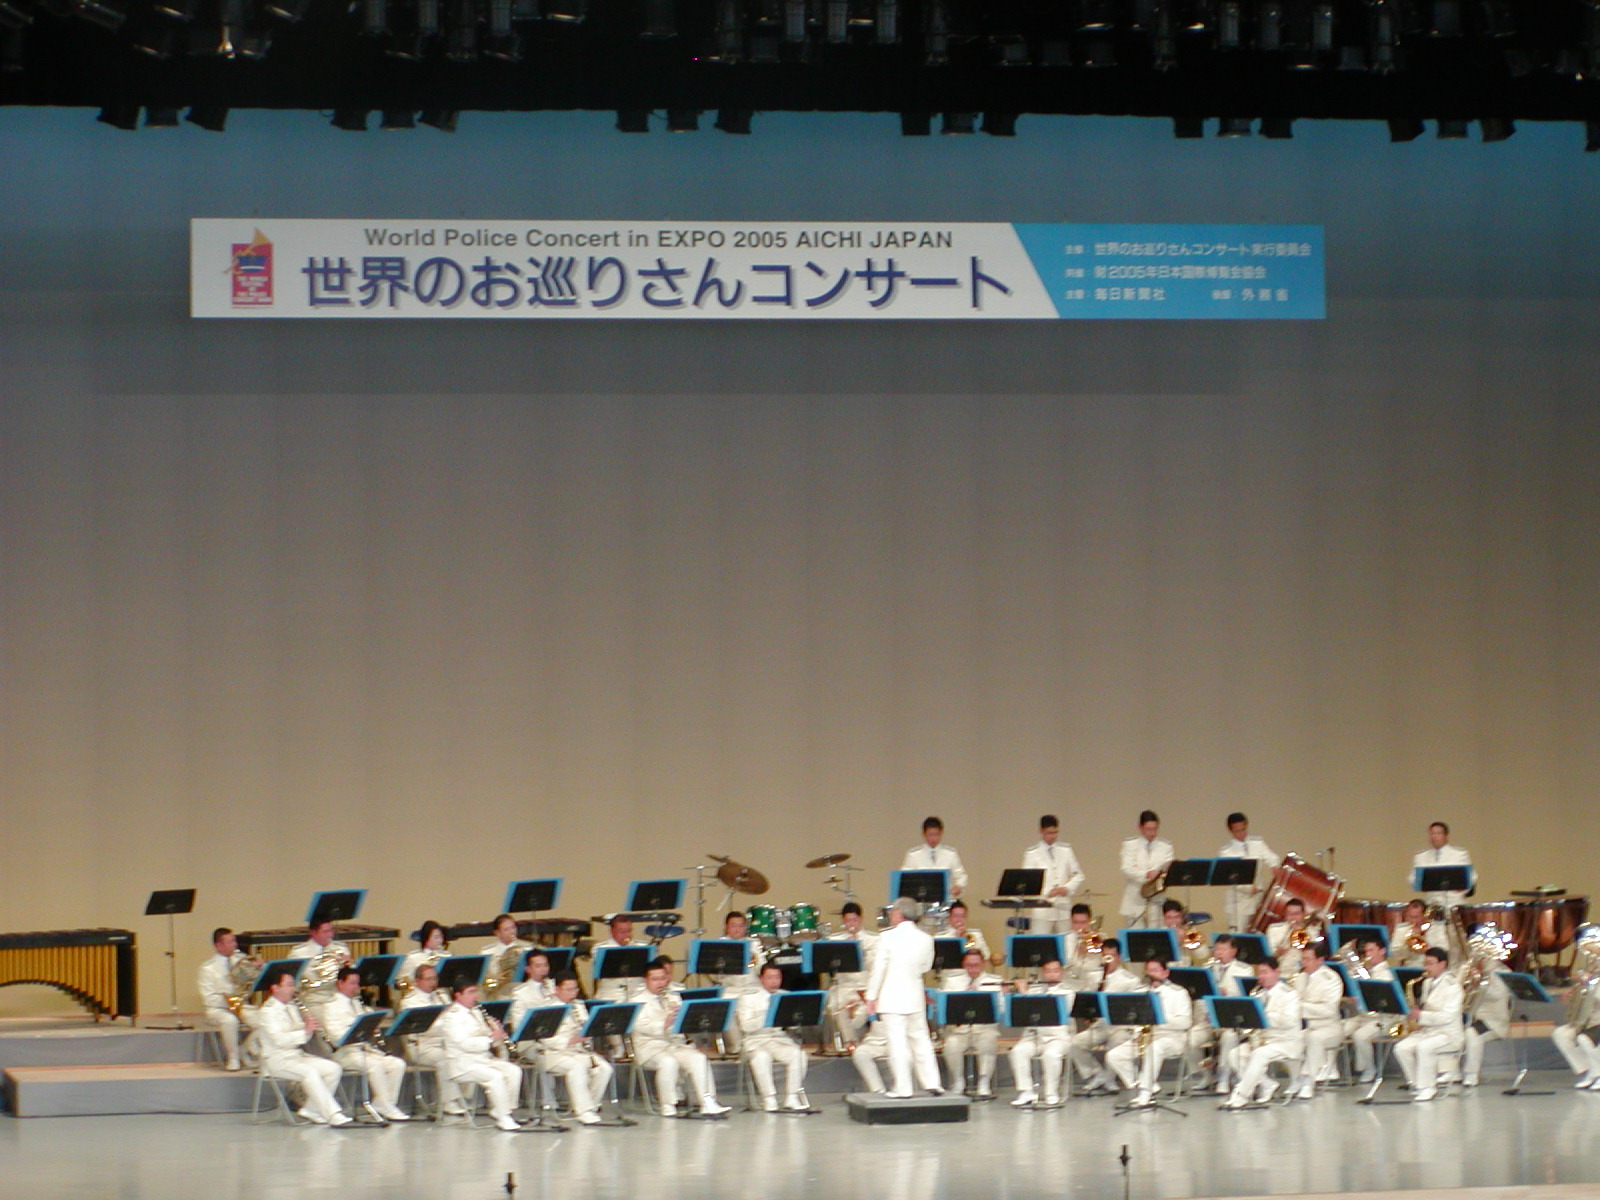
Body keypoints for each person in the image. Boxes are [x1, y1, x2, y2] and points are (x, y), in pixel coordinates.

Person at [631, 960, 731, 1116]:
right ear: (646, 980)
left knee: (699, 1058)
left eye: (663, 978)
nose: (660, 983)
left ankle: (708, 1102)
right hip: (650, 1048)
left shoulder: (674, 997)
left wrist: (683, 1018)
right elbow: (639, 1027)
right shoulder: (636, 1000)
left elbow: (680, 1028)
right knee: (668, 1062)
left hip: (674, 1045)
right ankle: (668, 1105)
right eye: (655, 979)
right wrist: (665, 1023)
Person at [865, 897, 942, 1098]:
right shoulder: (926, 938)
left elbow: (878, 970)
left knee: (897, 1043)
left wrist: (871, 996)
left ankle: (903, 1088)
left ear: (898, 913)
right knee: (921, 1039)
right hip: (915, 995)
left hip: (891, 997)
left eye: (893, 911)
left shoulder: (886, 937)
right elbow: (926, 967)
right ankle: (933, 1082)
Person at [254, 967, 351, 1126]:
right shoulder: (267, 1012)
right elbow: (280, 1040)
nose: (293, 989)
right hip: (276, 1060)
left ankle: (311, 1110)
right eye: (289, 985)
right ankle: (333, 1113)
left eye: (293, 985)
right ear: (275, 988)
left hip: (295, 1056)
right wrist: (304, 1031)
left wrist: (308, 1028)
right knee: (310, 1073)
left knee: (333, 1068)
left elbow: (302, 1037)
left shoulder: (291, 1007)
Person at [322, 966, 409, 1122]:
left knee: (397, 1064)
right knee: (375, 1065)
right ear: (340, 983)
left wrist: (371, 1023)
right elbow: (336, 1036)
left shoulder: (356, 1003)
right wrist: (359, 1029)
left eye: (357, 983)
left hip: (364, 1050)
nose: (356, 987)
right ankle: (386, 1105)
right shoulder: (331, 1005)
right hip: (345, 1053)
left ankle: (384, 1104)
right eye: (352, 983)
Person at [1105, 959, 1193, 1108]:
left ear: (1165, 973)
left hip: (1172, 1037)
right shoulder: (1140, 992)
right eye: (1149, 970)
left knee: (1154, 1048)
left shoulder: (1178, 993)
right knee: (1114, 1056)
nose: (1152, 974)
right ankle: (1144, 1085)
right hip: (1146, 1037)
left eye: (1156, 970)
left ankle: (1145, 1094)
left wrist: (1159, 1018)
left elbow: (1185, 1022)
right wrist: (1136, 1033)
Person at [439, 981, 525, 1131]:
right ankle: (504, 1117)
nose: (475, 996)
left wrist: (495, 1031)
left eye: (475, 992)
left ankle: (503, 1110)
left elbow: (487, 1037)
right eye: (470, 992)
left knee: (513, 1071)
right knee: (495, 1076)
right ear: (458, 995)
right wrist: (490, 1039)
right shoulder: (451, 1017)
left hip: (483, 1059)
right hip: (463, 1064)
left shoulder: (476, 1012)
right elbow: (464, 1043)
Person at [1222, 956, 1304, 1108]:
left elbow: (1290, 1021)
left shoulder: (1289, 994)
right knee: (1234, 1054)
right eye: (1259, 973)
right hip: (1263, 1041)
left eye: (1265, 972)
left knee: (1259, 1055)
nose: (1261, 977)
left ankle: (1241, 1095)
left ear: (1276, 972)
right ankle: (1266, 1084)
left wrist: (1263, 1016)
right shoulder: (1258, 995)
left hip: (1285, 1042)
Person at [536, 972, 612, 1125]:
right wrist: (572, 1040)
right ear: (557, 989)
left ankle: (591, 1106)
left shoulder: (578, 1005)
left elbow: (586, 1027)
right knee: (577, 1067)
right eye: (568, 990)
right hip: (554, 1054)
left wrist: (587, 1030)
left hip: (578, 1052)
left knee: (604, 1068)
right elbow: (545, 1038)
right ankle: (583, 1111)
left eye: (575, 989)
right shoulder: (548, 1008)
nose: (573, 993)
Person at [1394, 947, 1464, 1102]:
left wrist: (1421, 1016)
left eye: (1430, 963)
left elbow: (1448, 1017)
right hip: (1429, 1031)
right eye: (1425, 963)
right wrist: (1418, 1021)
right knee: (1401, 1047)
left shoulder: (1453, 986)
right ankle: (1416, 1083)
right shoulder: (1427, 983)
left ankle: (1428, 1088)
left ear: (1442, 964)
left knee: (1424, 1047)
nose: (1427, 967)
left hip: (1448, 1034)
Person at [1069, 945, 1141, 1093]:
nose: (1108, 960)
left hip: (1120, 1026)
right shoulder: (1094, 976)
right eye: (1105, 956)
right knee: (1074, 1044)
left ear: (1118, 957)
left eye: (1111, 956)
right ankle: (1097, 1074)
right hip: (1100, 1025)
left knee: (1115, 1044)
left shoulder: (1130, 980)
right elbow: (1087, 999)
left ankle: (1110, 1080)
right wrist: (1089, 1014)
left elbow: (1135, 1006)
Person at [737, 963, 809, 1111]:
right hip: (755, 1040)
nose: (774, 981)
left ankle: (792, 1097)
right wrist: (768, 1013)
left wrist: (795, 1018)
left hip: (778, 1039)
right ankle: (768, 1098)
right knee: (761, 1057)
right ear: (761, 978)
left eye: (777, 977)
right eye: (769, 977)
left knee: (798, 1055)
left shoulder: (785, 995)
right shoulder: (748, 998)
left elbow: (792, 1026)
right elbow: (746, 1026)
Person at [1192, 934, 1256, 1093]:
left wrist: (1225, 993)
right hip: (1209, 1019)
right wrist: (1206, 1013)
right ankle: (1205, 1074)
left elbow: (1243, 998)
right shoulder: (1207, 969)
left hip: (1230, 1020)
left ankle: (1223, 1078)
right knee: (1191, 1038)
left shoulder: (1244, 970)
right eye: (1217, 949)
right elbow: (1200, 996)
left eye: (1223, 949)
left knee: (1229, 1037)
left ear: (1234, 951)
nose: (1219, 953)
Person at [399, 962, 464, 1116]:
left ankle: (463, 1098)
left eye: (435, 978)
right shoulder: (409, 1001)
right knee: (446, 1060)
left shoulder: (441, 996)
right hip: (421, 1046)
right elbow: (426, 1028)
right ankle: (449, 1102)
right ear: (417, 981)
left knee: (466, 1055)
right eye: (428, 979)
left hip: (444, 1043)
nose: (433, 982)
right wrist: (445, 1022)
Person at [1008, 958, 1074, 1107]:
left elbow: (1049, 1008)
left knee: (1051, 1055)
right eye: (1047, 971)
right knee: (1017, 1052)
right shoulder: (1034, 990)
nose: (1051, 974)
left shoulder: (1067, 992)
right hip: (1033, 1036)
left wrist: (1023, 992)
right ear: (1043, 973)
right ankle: (1026, 1092)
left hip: (1057, 1038)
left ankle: (1051, 1093)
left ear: (1061, 973)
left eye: (1055, 971)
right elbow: (1024, 1012)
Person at [938, 948, 1004, 1098]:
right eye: (968, 965)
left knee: (988, 1043)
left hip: (984, 1029)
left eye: (976, 965)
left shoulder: (995, 981)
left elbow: (1000, 1008)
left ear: (983, 964)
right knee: (951, 1045)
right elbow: (946, 1007)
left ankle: (984, 1082)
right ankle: (958, 1081)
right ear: (963, 965)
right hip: (960, 1030)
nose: (972, 969)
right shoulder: (952, 981)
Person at [197, 927, 255, 1072]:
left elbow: (252, 981)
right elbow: (209, 999)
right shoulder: (207, 968)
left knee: (263, 1019)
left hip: (240, 1005)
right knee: (230, 1020)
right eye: (230, 942)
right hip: (218, 1009)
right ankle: (233, 1057)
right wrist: (230, 1001)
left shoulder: (241, 960)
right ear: (219, 945)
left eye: (234, 941)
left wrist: (258, 968)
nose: (235, 945)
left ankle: (243, 1049)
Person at [1292, 942, 1345, 1099]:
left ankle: (1308, 1081)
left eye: (1308, 959)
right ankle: (1296, 1078)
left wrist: (1301, 1007)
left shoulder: (1331, 978)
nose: (1303, 963)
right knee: (1290, 1040)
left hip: (1329, 1028)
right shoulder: (1300, 977)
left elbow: (1329, 1010)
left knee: (1314, 1038)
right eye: (1302, 959)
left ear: (1320, 960)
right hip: (1306, 1027)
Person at [1341, 937, 1396, 1084]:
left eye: (1371, 950)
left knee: (1360, 1036)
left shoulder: (1387, 973)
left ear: (1382, 951)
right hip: (1364, 1016)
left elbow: (1382, 1000)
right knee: (1340, 1030)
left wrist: (1362, 997)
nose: (1368, 954)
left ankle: (1369, 1069)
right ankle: (1330, 1070)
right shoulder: (1367, 971)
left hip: (1383, 1018)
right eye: (1366, 951)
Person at [1021, 815, 1087, 935]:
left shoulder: (1066, 850)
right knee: (1042, 942)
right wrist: (1047, 893)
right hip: (1042, 910)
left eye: (1055, 832)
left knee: (1067, 942)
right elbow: (1028, 882)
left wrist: (1066, 888)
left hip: (1063, 908)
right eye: (1049, 833)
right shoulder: (1032, 853)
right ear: (1041, 831)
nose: (1053, 836)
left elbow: (1079, 875)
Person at [825, 902, 878, 1049]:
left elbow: (874, 966)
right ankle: (851, 1044)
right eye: (848, 921)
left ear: (860, 919)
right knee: (839, 1009)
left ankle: (856, 1042)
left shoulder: (873, 940)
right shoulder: (835, 941)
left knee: (859, 1016)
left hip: (864, 986)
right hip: (844, 986)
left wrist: (859, 950)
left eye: (854, 920)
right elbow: (830, 966)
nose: (851, 924)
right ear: (843, 920)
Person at [1217, 812, 1281, 932]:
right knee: (1238, 934)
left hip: (1258, 897)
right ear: (1231, 830)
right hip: (1238, 901)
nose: (1242, 834)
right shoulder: (1226, 851)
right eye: (1237, 831)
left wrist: (1274, 865)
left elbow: (1271, 856)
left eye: (1243, 829)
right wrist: (1248, 888)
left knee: (1259, 931)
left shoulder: (1257, 843)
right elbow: (1231, 876)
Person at [1461, 955, 1512, 1087]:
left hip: (1493, 1021)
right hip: (1475, 1017)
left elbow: (1498, 995)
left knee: (1472, 1034)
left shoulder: (1502, 973)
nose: (1479, 960)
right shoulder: (1475, 971)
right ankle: (1450, 1071)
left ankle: (1471, 1074)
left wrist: (1479, 983)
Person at [1119, 810, 1174, 927]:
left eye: (1155, 829)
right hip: (1134, 899)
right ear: (1140, 828)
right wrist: (1146, 875)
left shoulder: (1165, 846)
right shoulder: (1130, 845)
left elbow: (1170, 869)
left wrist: (1159, 874)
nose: (1152, 833)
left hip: (1156, 898)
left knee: (1156, 933)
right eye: (1149, 829)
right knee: (1135, 934)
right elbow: (1127, 868)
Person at [288, 919, 351, 1011]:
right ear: (313, 933)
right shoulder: (299, 953)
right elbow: (293, 982)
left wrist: (349, 966)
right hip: (314, 1001)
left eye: (331, 930)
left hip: (339, 998)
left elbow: (350, 978)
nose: (330, 935)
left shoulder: (341, 948)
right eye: (325, 932)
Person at [1411, 822, 1472, 910]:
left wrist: (1463, 888)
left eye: (1438, 833)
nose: (1435, 836)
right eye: (1432, 833)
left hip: (1455, 903)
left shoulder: (1459, 854)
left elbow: (1471, 876)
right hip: (1431, 902)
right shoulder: (1421, 856)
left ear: (1446, 836)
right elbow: (1413, 878)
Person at [902, 816, 967, 898]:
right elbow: (905, 879)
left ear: (941, 834)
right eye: (930, 835)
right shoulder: (913, 855)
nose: (933, 838)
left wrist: (958, 886)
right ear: (923, 834)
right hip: (921, 899)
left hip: (945, 899)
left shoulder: (950, 854)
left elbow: (961, 876)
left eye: (936, 834)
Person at [591, 915, 646, 1003]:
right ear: (612, 932)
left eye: (629, 931)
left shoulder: (643, 947)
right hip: (611, 994)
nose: (627, 935)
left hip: (638, 993)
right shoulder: (600, 948)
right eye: (622, 932)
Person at [508, 949, 554, 1048]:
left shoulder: (555, 987)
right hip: (531, 1042)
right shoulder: (520, 993)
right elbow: (518, 1025)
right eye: (538, 966)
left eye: (545, 965)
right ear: (528, 969)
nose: (543, 969)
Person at [1265, 899, 1321, 981]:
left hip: (1301, 974)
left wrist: (1299, 932)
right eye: (1289, 914)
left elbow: (1312, 954)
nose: (1293, 917)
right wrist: (1277, 953)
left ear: (1303, 914)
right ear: (1285, 915)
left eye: (1297, 914)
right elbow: (1268, 954)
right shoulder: (1274, 930)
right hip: (1278, 973)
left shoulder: (1312, 932)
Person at [480, 914, 531, 1001]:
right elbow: (484, 983)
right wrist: (497, 981)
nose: (512, 932)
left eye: (513, 927)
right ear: (497, 933)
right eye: (507, 929)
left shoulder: (527, 948)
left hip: (524, 992)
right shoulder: (487, 952)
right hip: (499, 995)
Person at [941, 902, 993, 983]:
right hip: (951, 978)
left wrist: (968, 941)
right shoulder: (942, 938)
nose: (959, 919)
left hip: (974, 977)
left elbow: (986, 955)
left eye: (963, 916)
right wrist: (956, 938)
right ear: (949, 918)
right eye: (956, 916)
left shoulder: (976, 935)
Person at [1390, 899, 1449, 969]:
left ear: (1424, 915)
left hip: (1432, 968)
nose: (1413, 921)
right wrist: (1408, 948)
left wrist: (1427, 949)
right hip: (1409, 967)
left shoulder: (1437, 928)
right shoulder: (1401, 930)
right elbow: (1395, 953)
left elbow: (1444, 949)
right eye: (1410, 917)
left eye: (1416, 917)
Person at [1063, 905, 1107, 992]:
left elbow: (1102, 961)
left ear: (1089, 921)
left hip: (1093, 978)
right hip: (1071, 980)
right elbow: (1065, 964)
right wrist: (1078, 952)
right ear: (1071, 921)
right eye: (1076, 922)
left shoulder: (1099, 937)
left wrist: (1090, 946)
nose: (1080, 927)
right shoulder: (1065, 939)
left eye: (1083, 922)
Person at [400, 920, 449, 987]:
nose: (440, 941)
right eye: (436, 937)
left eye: (441, 937)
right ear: (426, 939)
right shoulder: (413, 958)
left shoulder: (446, 956)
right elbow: (404, 982)